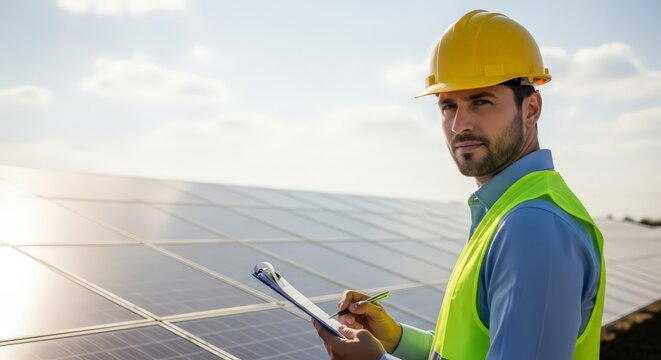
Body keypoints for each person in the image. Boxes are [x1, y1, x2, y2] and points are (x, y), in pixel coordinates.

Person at [313, 9, 605, 360]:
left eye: (480, 101)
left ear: (531, 108)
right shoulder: (506, 212)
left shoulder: (533, 225)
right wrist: (396, 341)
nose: (459, 125)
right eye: (448, 105)